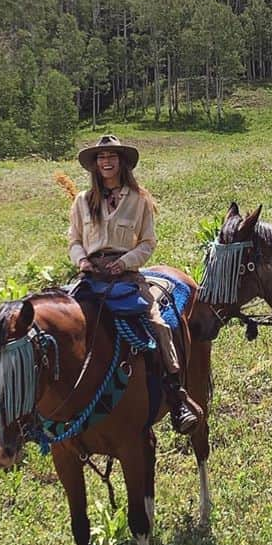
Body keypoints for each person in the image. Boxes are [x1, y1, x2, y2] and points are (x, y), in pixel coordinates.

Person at [68, 134, 203, 433]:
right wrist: (82, 261)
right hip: (90, 274)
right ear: (95, 164)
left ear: (122, 162)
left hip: (125, 273)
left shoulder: (139, 199)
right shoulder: (82, 201)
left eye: (112, 156)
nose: (106, 161)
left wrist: (125, 262)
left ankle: (175, 394)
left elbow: (147, 243)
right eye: (101, 157)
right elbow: (74, 241)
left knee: (158, 323)